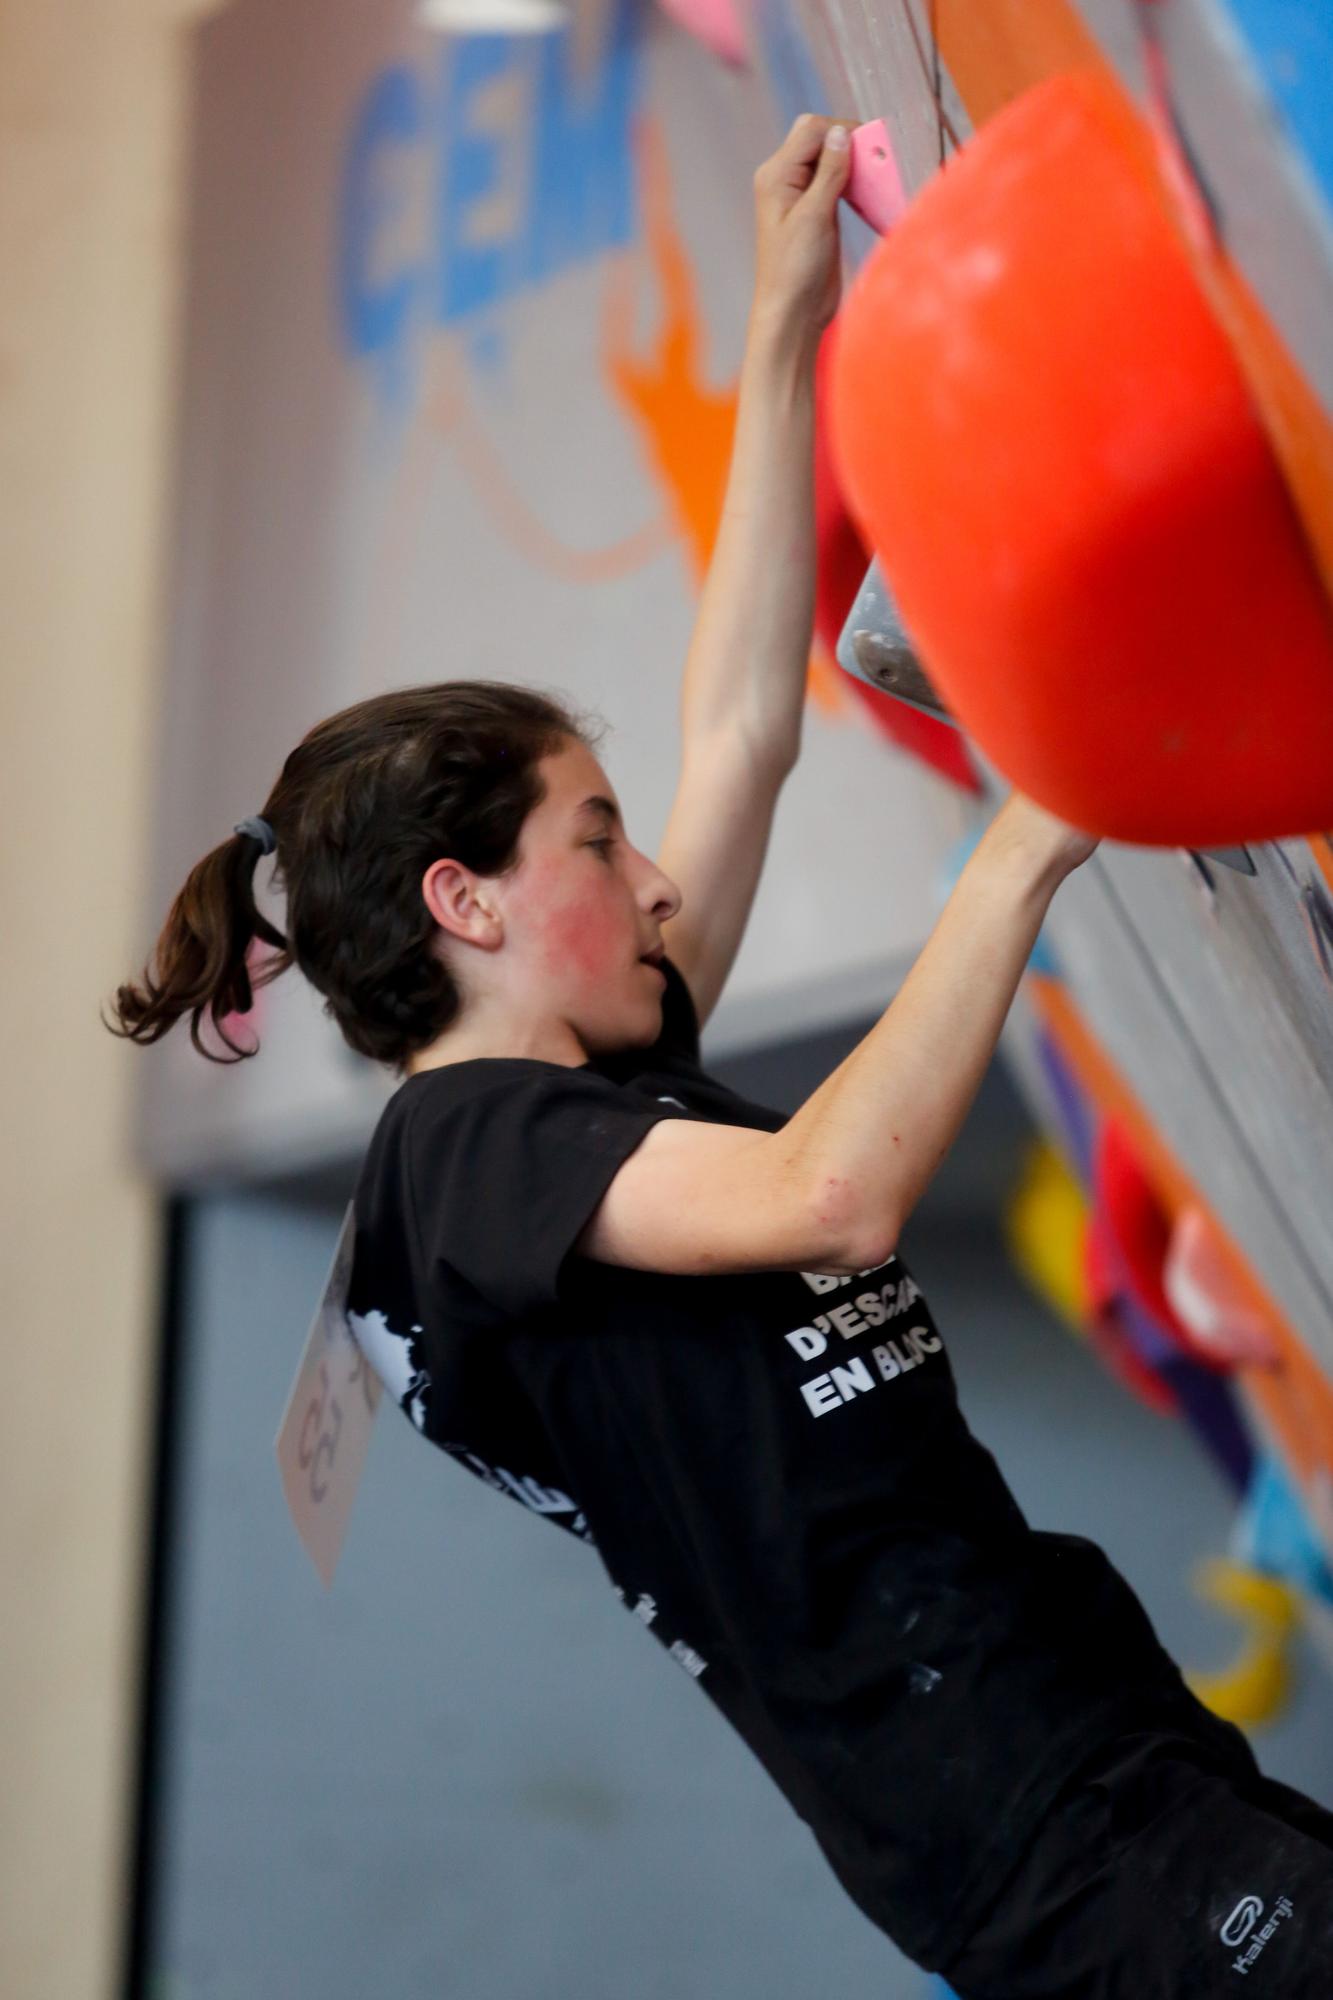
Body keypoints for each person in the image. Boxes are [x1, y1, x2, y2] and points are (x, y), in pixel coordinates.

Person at [109, 114, 1333, 1997]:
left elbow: (746, 717)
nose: (657, 876)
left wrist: (783, 318)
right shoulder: (460, 1169)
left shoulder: (587, 1096)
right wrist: (1042, 805)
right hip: (1036, 1832)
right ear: (470, 903)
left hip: (1087, 1752)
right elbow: (826, 1191)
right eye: (597, 844)